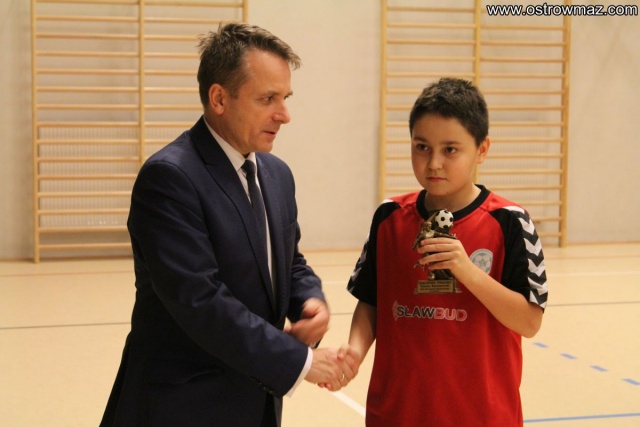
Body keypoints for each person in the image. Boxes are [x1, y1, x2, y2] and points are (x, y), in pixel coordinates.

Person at [100, 22, 357, 427]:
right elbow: (200, 301)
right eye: (267, 99)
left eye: (285, 98)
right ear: (219, 98)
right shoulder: (170, 178)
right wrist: (301, 362)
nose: (284, 115)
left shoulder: (276, 174)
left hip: (254, 401)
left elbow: (288, 260)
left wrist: (309, 300)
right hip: (183, 405)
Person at [345, 77, 548, 426]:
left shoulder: (510, 222)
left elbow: (529, 322)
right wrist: (354, 351)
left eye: (450, 150)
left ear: (482, 149)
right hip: (396, 414)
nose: (434, 163)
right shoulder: (389, 217)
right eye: (422, 147)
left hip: (480, 416)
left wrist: (467, 270)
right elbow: (371, 301)